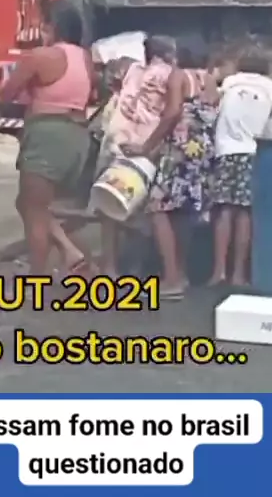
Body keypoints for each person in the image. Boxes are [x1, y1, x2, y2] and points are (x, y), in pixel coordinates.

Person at [0, 1, 94, 274]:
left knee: (35, 214)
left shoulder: (41, 56)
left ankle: (37, 278)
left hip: (48, 135)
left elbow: (7, 94)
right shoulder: (84, 57)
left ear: (52, 27)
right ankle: (69, 251)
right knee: (29, 204)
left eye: (43, 25)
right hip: (77, 137)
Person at [134, 43, 218, 299]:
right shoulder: (208, 80)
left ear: (178, 58)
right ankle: (180, 273)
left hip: (180, 148)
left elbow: (172, 113)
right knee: (183, 211)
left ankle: (171, 280)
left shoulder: (178, 76)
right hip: (202, 149)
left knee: (157, 207)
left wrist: (147, 146)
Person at [97, 35, 177, 278]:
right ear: (166, 55)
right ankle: (136, 269)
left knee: (110, 205)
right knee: (144, 211)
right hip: (146, 148)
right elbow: (172, 113)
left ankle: (110, 268)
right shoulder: (170, 74)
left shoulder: (132, 70)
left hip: (117, 143)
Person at [208, 47, 272, 287]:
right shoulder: (269, 87)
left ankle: (218, 272)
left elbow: (211, 105)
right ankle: (239, 274)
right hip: (252, 152)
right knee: (245, 212)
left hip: (225, 151)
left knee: (224, 210)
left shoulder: (230, 83)